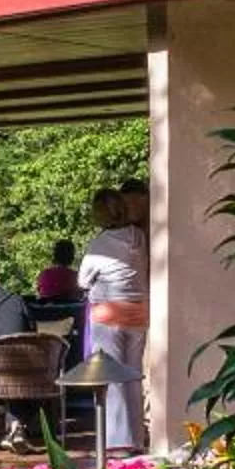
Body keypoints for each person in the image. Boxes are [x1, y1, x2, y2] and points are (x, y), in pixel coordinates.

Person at [76, 185, 148, 452]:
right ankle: (137, 438)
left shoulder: (99, 244)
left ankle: (117, 442)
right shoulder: (138, 236)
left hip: (108, 314)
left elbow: (82, 280)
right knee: (133, 376)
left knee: (112, 377)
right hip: (139, 312)